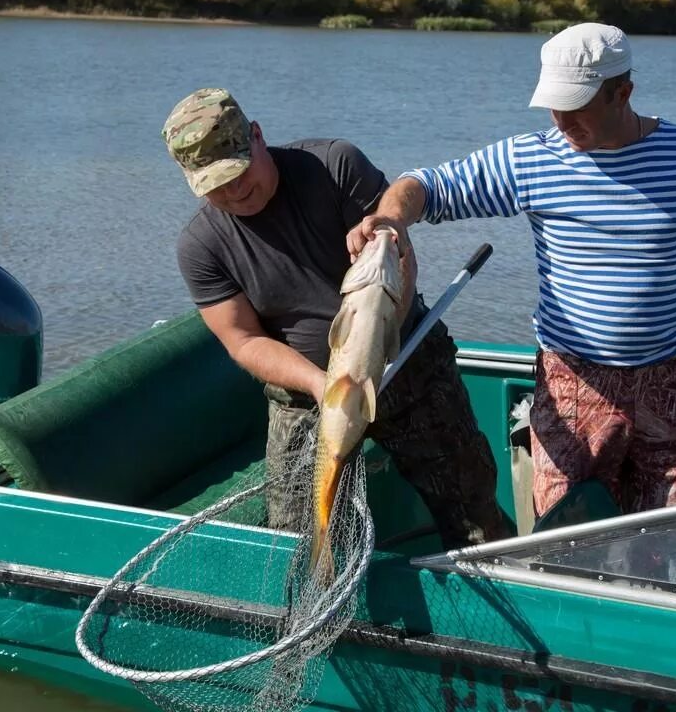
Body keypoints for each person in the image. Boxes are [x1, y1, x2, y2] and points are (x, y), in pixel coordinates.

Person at [348, 23, 676, 519]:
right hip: (571, 384)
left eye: (576, 106)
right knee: (565, 539)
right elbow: (425, 185)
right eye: (554, 104)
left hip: (669, 383)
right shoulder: (533, 159)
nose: (561, 119)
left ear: (623, 93)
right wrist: (388, 219)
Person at [163, 88, 509, 547]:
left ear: (258, 135)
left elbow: (399, 257)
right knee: (300, 537)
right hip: (308, 396)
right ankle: (323, 599)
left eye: (238, 171)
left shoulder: (334, 166)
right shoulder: (201, 246)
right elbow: (243, 340)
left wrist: (374, 349)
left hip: (407, 363)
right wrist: (320, 385)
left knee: (474, 513)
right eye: (214, 186)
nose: (234, 191)